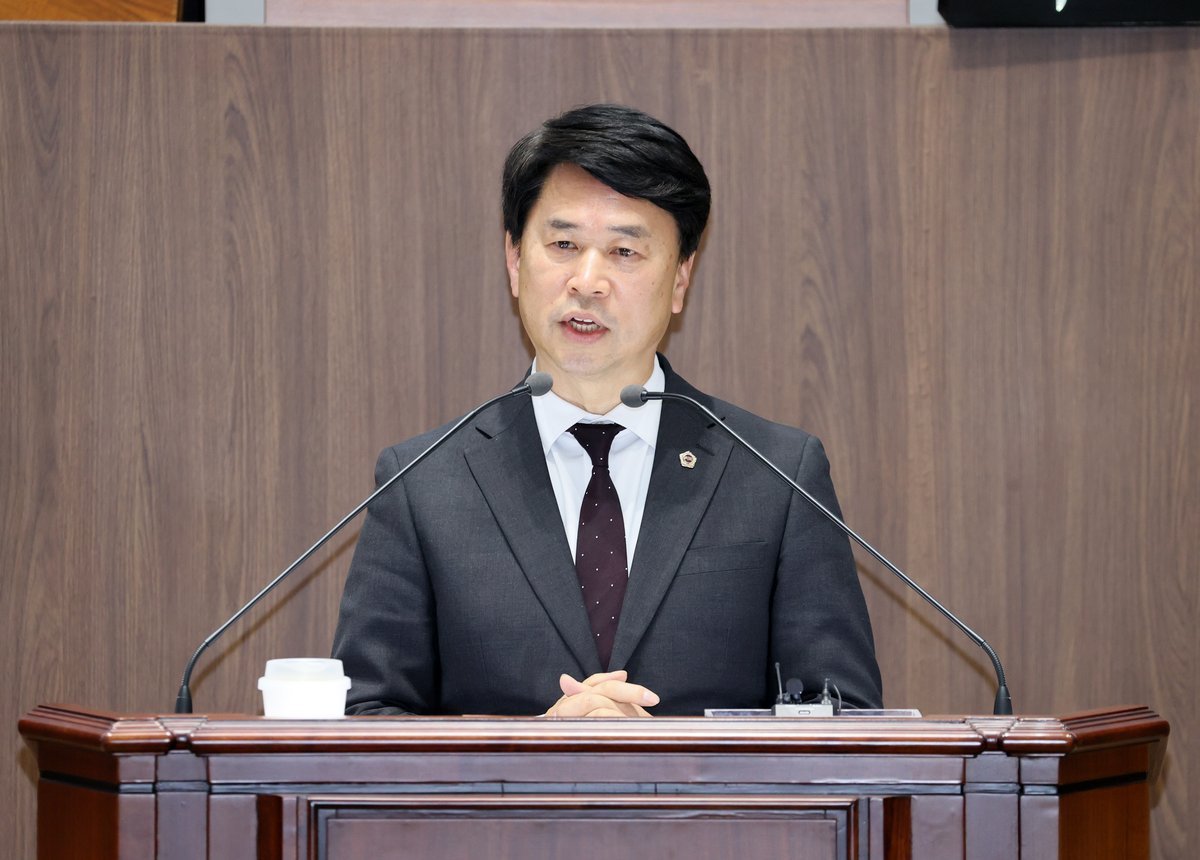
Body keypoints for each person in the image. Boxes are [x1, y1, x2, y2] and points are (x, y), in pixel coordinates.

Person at [332, 104, 883, 717]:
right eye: (563, 244)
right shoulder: (423, 482)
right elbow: (364, 725)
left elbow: (845, 727)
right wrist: (533, 748)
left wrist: (665, 755)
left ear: (681, 278)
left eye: (624, 251)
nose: (587, 281)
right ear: (514, 260)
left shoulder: (776, 475)